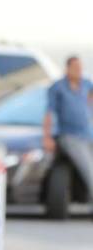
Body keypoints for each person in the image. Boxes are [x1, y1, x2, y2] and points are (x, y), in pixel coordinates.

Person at [43, 55, 93, 203]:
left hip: (88, 134)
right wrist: (47, 137)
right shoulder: (58, 87)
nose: (78, 71)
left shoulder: (86, 84)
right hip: (70, 136)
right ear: (68, 69)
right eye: (75, 68)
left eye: (80, 68)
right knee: (89, 169)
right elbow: (49, 113)